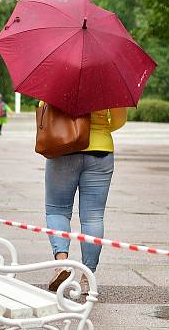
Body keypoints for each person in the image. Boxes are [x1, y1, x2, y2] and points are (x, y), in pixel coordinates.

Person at [45, 106, 127, 294]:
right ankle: (87, 278)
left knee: (57, 210)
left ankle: (62, 264)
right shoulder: (110, 79)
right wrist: (98, 129)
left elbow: (45, 109)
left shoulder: (57, 77)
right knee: (93, 217)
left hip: (64, 145)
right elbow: (119, 119)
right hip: (100, 150)